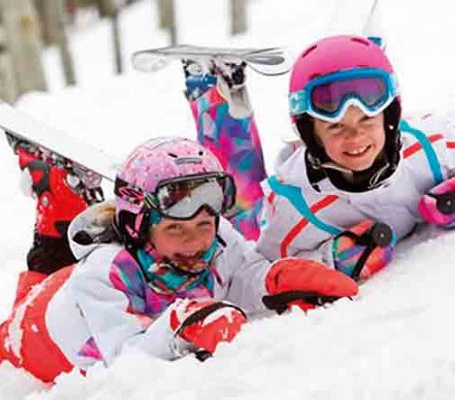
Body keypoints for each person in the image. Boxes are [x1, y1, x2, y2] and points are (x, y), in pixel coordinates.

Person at [0, 137, 358, 392]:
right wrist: (180, 324)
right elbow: (124, 359)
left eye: (205, 225)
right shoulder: (106, 274)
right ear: (140, 226)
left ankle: (57, 193)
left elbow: (240, 275)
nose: (195, 243)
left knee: (45, 273)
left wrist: (276, 280)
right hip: (39, 332)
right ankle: (56, 200)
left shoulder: (217, 237)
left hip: (67, 288)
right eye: (176, 229)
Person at [185, 34, 455, 281]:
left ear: (389, 118)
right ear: (310, 133)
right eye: (336, 127)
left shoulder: (431, 147)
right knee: (241, 204)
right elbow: (258, 272)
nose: (356, 137)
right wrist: (329, 258)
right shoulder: (294, 213)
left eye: (367, 119)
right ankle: (212, 89)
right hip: (269, 211)